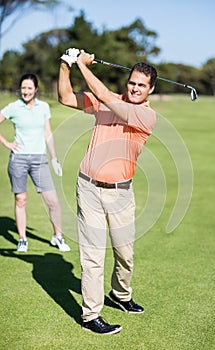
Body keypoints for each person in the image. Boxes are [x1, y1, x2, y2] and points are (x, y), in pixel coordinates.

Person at [58, 49, 157, 335]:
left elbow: (103, 94)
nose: (135, 88)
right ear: (127, 82)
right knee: (92, 257)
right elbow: (65, 97)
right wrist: (65, 65)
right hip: (88, 188)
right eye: (132, 82)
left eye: (141, 85)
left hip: (121, 194)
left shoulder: (144, 116)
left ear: (150, 89)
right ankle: (91, 315)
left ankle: (121, 295)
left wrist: (81, 65)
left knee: (125, 254)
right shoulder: (108, 102)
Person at [0, 73, 70, 253]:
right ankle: (22, 239)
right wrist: (7, 143)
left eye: (29, 88)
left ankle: (58, 237)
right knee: (21, 199)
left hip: (40, 160)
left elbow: (48, 133)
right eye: (23, 88)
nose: (26, 91)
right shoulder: (13, 107)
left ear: (36, 89)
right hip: (19, 160)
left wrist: (54, 157)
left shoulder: (44, 107)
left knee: (52, 201)